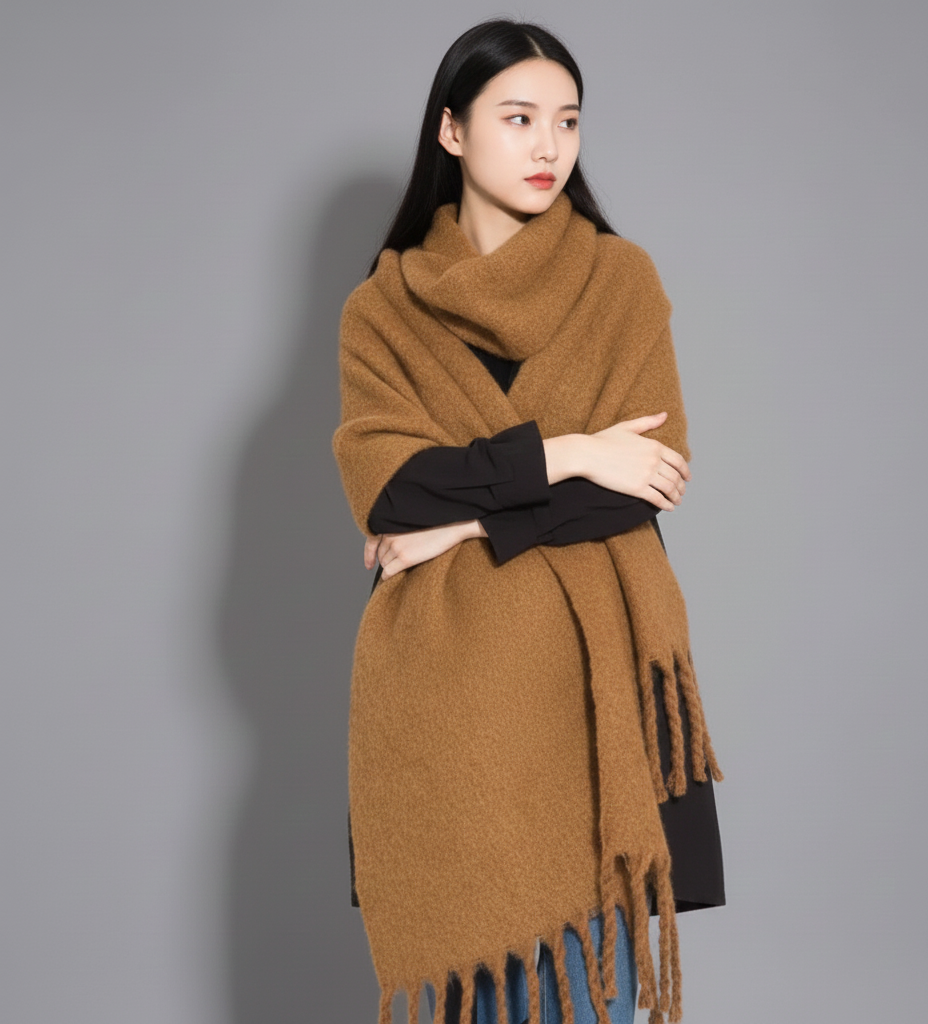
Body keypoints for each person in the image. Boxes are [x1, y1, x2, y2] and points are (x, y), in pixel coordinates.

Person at [332, 18, 725, 1024]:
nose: (549, 145)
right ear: (453, 131)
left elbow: (647, 482)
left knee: (593, 993)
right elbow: (391, 493)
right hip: (441, 709)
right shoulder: (383, 311)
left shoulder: (619, 280)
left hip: (593, 705)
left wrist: (466, 526)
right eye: (518, 118)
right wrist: (574, 450)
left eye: (568, 121)